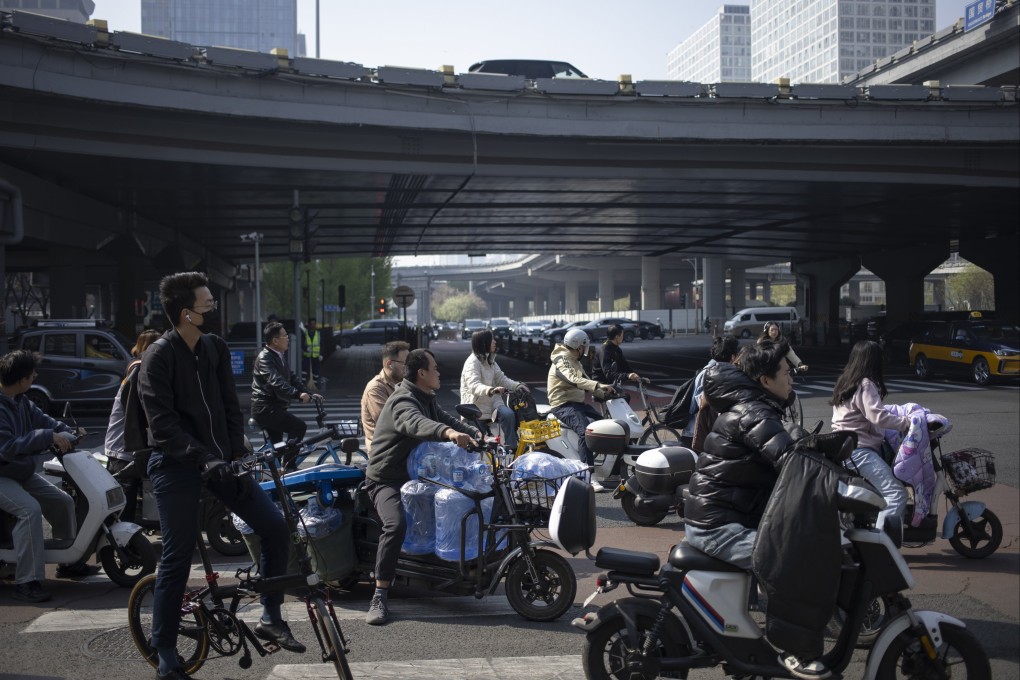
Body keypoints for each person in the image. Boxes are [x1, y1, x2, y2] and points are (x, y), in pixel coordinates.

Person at [137, 272, 303, 680]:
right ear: (186, 313)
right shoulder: (158, 358)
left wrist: (236, 454)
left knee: (275, 527)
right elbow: (163, 427)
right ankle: (165, 650)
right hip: (176, 466)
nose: (215, 307)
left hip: (221, 463)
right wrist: (202, 457)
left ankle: (270, 614)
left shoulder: (213, 347)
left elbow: (231, 407)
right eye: (208, 304)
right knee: (176, 558)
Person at [682, 340, 825, 679]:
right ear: (765, 380)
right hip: (716, 525)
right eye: (786, 374)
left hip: (720, 516)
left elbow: (787, 451)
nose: (791, 379)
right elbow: (788, 459)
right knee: (790, 564)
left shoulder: (754, 408)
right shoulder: (754, 413)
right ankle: (795, 650)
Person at [363, 348, 481, 625]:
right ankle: (379, 595)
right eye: (435, 369)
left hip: (416, 474)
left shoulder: (425, 396)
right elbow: (416, 423)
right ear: (422, 373)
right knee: (395, 525)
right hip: (387, 479)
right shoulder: (403, 400)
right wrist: (450, 434)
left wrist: (473, 431)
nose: (439, 373)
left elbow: (442, 417)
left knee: (464, 495)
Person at [0, 350, 90, 603]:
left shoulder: (21, 401)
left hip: (19, 472)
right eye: (32, 375)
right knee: (29, 511)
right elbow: (6, 447)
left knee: (63, 501)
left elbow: (45, 421)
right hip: (3, 475)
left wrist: (68, 431)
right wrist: (46, 437)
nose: (34, 377)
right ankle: (27, 580)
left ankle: (69, 562)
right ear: (22, 380)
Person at [830, 340, 910, 536]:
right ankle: (881, 544)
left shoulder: (846, 381)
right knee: (896, 493)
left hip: (845, 447)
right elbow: (878, 416)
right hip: (861, 451)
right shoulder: (865, 384)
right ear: (873, 360)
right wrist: (907, 423)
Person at [547, 328, 615, 492]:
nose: (586, 349)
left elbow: (585, 380)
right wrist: (598, 385)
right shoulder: (562, 359)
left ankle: (612, 469)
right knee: (586, 432)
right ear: (579, 346)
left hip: (576, 403)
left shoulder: (574, 359)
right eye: (584, 345)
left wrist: (605, 392)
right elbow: (574, 379)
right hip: (562, 404)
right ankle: (588, 475)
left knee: (604, 424)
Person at [105, 329, 161, 524]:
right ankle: (123, 544)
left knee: (133, 492)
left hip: (128, 446)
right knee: (125, 497)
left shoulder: (139, 366)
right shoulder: (139, 369)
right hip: (124, 447)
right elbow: (139, 411)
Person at [251, 322, 317, 464]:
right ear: (275, 341)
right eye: (285, 336)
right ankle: (289, 466)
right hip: (265, 408)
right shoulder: (265, 358)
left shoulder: (279, 355)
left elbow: (292, 378)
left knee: (279, 447)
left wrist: (307, 393)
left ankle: (279, 474)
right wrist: (297, 395)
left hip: (275, 408)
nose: (287, 338)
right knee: (299, 427)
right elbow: (276, 381)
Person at [460, 329, 529, 452]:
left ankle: (511, 449)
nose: (495, 342)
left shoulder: (490, 361)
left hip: (493, 403)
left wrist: (518, 386)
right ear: (483, 342)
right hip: (476, 407)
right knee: (481, 445)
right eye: (492, 340)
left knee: (509, 415)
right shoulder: (472, 363)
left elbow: (501, 378)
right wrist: (492, 390)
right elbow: (474, 385)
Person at [681, 335, 740, 446]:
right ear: (733, 356)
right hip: (698, 434)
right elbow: (699, 404)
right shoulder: (711, 373)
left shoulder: (710, 371)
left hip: (705, 432)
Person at [360, 340, 410, 455]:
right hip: (385, 454)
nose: (408, 368)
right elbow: (388, 423)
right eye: (405, 364)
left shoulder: (403, 384)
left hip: (402, 449)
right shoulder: (375, 388)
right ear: (389, 364)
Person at [301, 318, 321, 391]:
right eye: (311, 324)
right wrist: (306, 348)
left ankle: (314, 385)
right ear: (309, 325)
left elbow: (322, 344)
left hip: (316, 356)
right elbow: (302, 343)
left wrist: (321, 354)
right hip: (307, 355)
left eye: (314, 324)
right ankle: (303, 385)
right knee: (304, 370)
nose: (312, 325)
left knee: (315, 371)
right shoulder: (305, 333)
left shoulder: (318, 334)